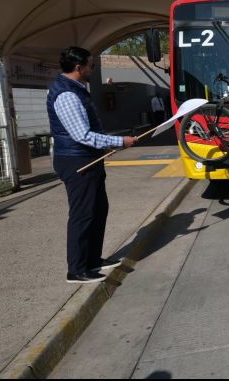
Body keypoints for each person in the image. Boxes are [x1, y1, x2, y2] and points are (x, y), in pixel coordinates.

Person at [47, 46, 137, 284]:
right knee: (83, 215)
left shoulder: (76, 89)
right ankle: (76, 270)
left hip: (87, 159)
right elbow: (82, 135)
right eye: (91, 65)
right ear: (79, 68)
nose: (93, 69)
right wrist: (120, 141)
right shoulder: (66, 94)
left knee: (98, 210)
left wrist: (107, 144)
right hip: (77, 161)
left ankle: (93, 260)